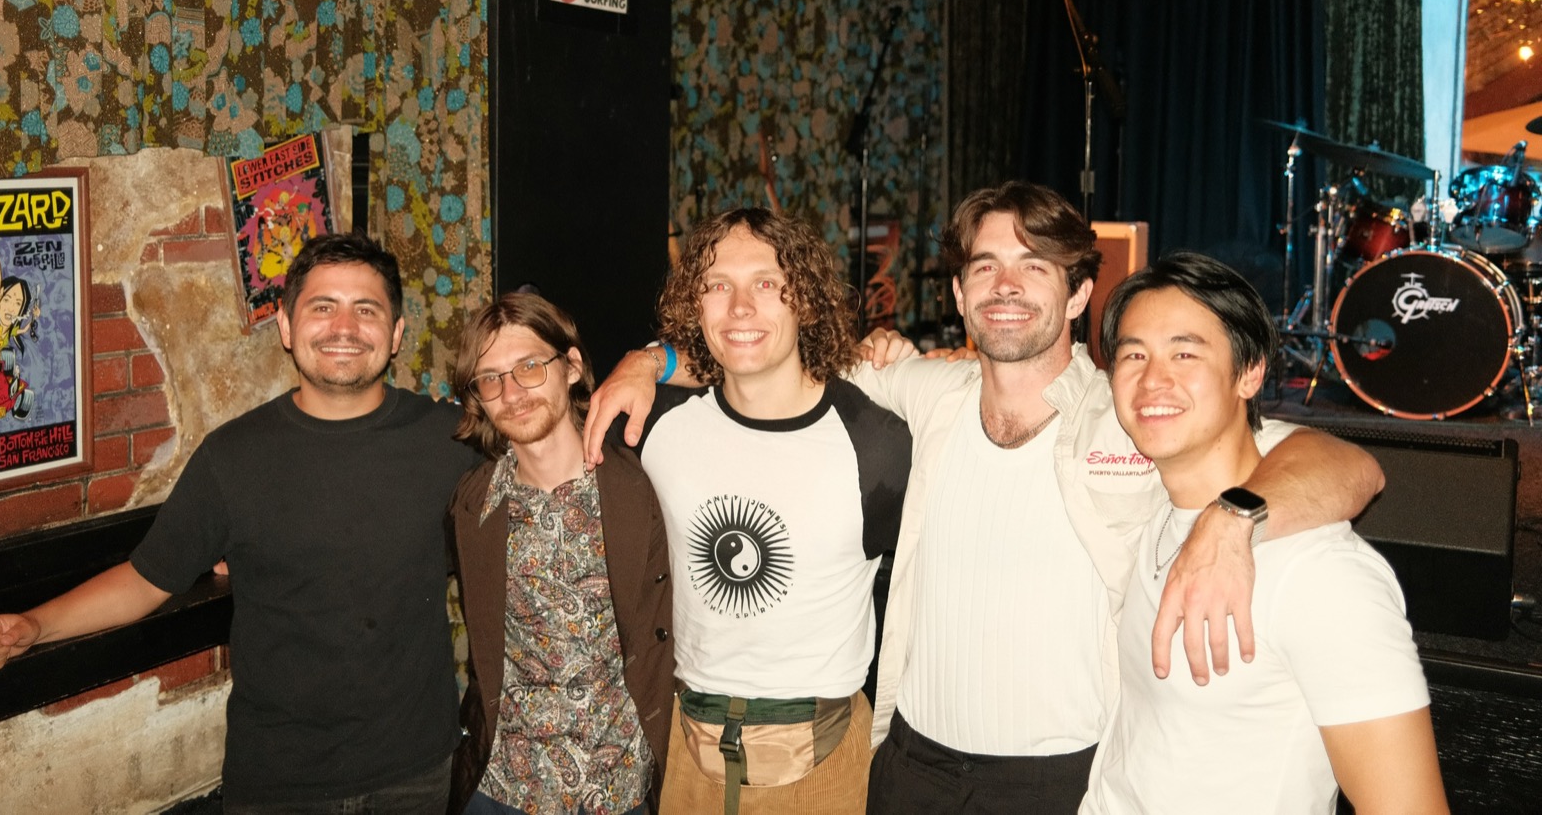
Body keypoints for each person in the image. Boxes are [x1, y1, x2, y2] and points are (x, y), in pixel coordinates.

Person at [585, 182, 1383, 815]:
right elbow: (766, 350)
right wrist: (651, 361)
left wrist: (1235, 517)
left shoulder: (1135, 410)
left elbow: (1350, 467)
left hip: (1062, 777)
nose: (1005, 286)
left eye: (1034, 266)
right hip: (912, 765)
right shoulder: (922, 392)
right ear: (961, 295)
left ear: (1078, 295)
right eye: (984, 268)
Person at [0, 232, 474, 814]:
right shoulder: (233, 457)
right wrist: (35, 625)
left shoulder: (451, 441)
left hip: (417, 772)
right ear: (287, 327)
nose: (344, 327)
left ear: (397, 333)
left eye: (366, 309)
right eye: (322, 307)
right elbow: (145, 580)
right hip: (280, 782)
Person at [1082, 251, 1445, 814]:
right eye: (1134, 354)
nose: (1153, 379)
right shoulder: (1155, 502)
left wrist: (1234, 518)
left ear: (1250, 373)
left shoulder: (1322, 576)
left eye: (1185, 352)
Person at [599, 207, 912, 815]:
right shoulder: (652, 424)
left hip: (823, 763)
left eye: (767, 283)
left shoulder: (876, 442)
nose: (740, 307)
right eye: (717, 285)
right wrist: (648, 359)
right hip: (686, 754)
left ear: (807, 301)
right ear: (696, 306)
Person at [446, 292, 673, 815]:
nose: (512, 392)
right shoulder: (471, 505)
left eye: (530, 366)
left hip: (618, 790)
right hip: (502, 789)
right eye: (490, 378)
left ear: (571, 366)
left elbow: (734, 366)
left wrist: (647, 361)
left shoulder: (643, 481)